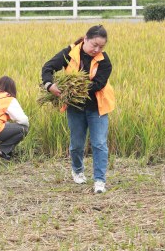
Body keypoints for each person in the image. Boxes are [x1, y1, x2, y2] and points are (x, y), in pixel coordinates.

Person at [41, 25, 114, 194]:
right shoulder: (70, 52)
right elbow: (48, 68)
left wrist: (72, 88)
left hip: (97, 107)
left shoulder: (104, 61)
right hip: (75, 107)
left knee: (99, 144)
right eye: (94, 45)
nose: (97, 50)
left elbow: (98, 85)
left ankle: (99, 181)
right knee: (76, 145)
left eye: (101, 47)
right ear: (85, 39)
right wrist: (49, 85)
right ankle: (78, 170)